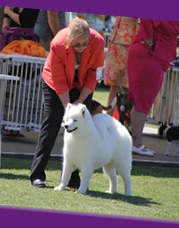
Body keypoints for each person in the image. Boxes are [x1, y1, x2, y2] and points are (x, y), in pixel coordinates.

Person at [30, 17, 105, 188]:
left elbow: (95, 74)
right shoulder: (57, 44)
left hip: (83, 83)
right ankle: (37, 174)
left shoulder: (98, 42)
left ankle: (72, 177)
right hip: (55, 82)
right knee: (52, 123)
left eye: (84, 43)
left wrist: (80, 100)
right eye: (76, 44)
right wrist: (69, 108)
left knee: (81, 129)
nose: (80, 48)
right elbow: (59, 80)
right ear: (69, 39)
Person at [127, 19, 179, 156]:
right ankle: (136, 143)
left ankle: (136, 142)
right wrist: (148, 37)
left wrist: (174, 42)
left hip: (154, 57)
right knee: (143, 103)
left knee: (143, 102)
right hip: (150, 56)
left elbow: (162, 31)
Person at [104, 17, 140, 117]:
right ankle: (108, 117)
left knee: (127, 86)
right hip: (115, 44)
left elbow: (140, 25)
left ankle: (126, 119)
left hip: (129, 45)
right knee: (114, 84)